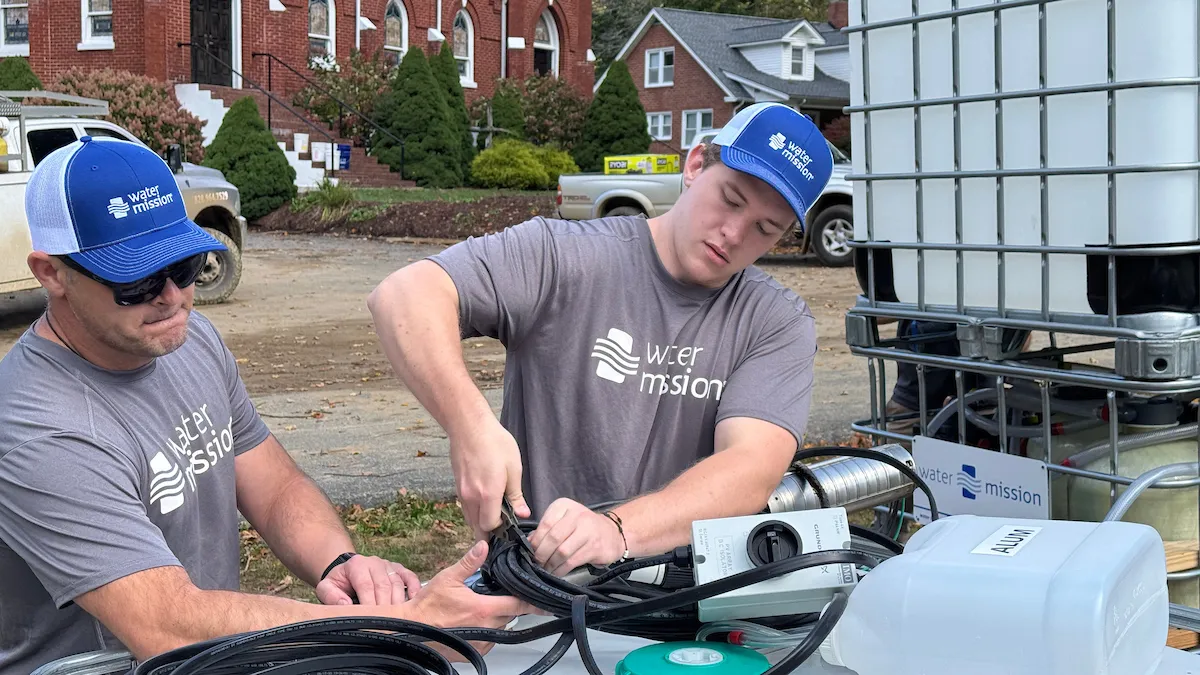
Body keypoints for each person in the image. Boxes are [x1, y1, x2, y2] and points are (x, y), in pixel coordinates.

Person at [0, 136, 527, 675]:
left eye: (183, 265)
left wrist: (338, 562)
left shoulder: (189, 339)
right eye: (136, 279)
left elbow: (273, 487)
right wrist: (400, 631)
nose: (172, 296)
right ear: (52, 274)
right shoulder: (42, 430)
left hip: (212, 657)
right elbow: (164, 622)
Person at [368, 102, 833, 577]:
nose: (733, 233)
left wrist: (616, 529)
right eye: (731, 199)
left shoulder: (777, 320)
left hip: (682, 595)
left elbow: (750, 466)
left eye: (765, 228)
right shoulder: (565, 255)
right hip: (535, 584)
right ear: (695, 165)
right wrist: (470, 426)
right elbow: (405, 295)